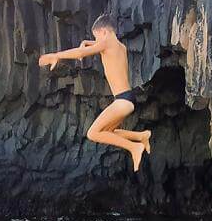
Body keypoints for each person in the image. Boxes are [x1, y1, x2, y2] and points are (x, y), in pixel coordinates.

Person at [38, 14, 151, 171]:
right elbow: (97, 46)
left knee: (93, 133)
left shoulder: (105, 43)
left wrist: (55, 56)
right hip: (128, 98)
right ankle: (141, 136)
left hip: (122, 102)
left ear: (104, 32)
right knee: (109, 132)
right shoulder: (120, 46)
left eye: (96, 37)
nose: (97, 41)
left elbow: (80, 54)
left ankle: (134, 147)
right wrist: (87, 42)